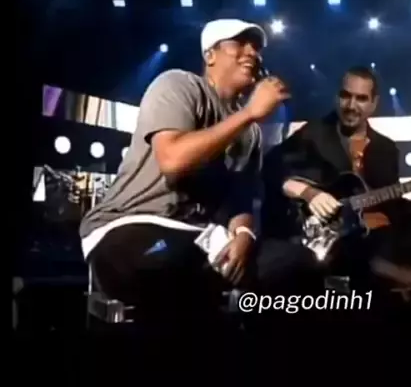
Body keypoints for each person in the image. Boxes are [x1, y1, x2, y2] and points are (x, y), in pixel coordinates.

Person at [79, 19, 321, 333]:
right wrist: (248, 113)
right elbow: (173, 161)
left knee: (299, 263)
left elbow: (241, 199)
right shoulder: (178, 85)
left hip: (197, 236)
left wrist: (244, 236)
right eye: (239, 43)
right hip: (130, 225)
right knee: (174, 265)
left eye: (256, 47)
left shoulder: (251, 135)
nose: (252, 52)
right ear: (210, 55)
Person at [262, 66, 411, 307]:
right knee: (353, 247)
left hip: (382, 235)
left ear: (374, 104)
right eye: (346, 96)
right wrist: (309, 193)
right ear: (337, 97)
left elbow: (393, 208)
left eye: (361, 98)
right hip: (333, 237)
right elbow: (271, 167)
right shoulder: (314, 134)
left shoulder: (386, 148)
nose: (351, 105)